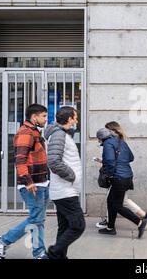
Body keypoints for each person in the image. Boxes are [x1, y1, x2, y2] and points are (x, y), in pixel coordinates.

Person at [0, 104, 49, 259]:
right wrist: (28, 181)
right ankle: (3, 240)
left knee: (39, 219)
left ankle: (39, 252)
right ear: (34, 117)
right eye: (43, 116)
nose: (46, 119)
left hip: (42, 182)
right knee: (36, 218)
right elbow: (20, 160)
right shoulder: (26, 133)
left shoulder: (34, 131)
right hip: (32, 184)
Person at [44, 106, 85, 259]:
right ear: (69, 119)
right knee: (78, 226)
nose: (77, 120)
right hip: (65, 190)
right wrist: (72, 176)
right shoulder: (59, 135)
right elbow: (53, 161)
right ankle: (52, 254)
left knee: (65, 227)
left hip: (65, 190)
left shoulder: (63, 134)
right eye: (75, 117)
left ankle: (59, 257)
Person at [95, 127, 147, 230]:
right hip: (127, 176)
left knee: (117, 205)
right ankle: (110, 228)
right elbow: (131, 157)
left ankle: (140, 223)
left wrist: (109, 175)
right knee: (110, 201)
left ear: (101, 138)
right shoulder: (121, 142)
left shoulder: (108, 144)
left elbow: (110, 161)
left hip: (118, 177)